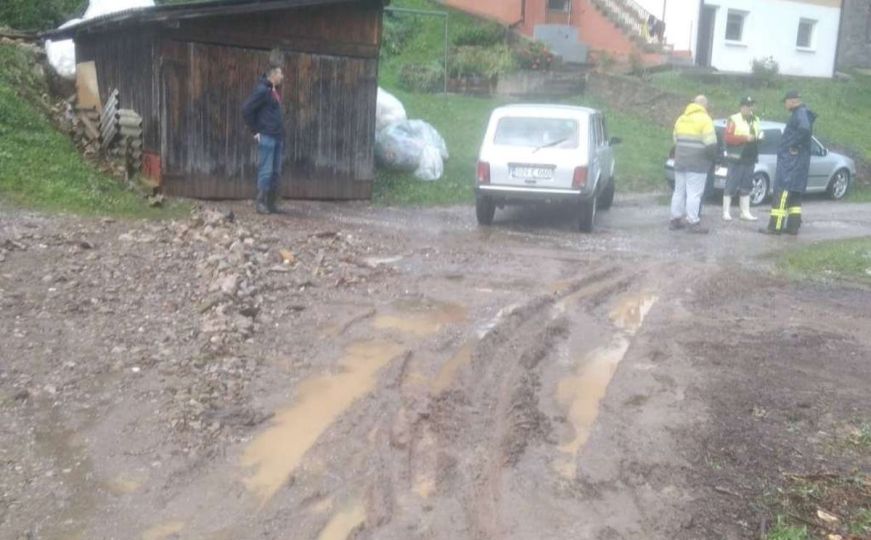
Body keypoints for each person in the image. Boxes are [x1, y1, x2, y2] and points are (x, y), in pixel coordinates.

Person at [763, 90, 816, 235]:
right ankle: (793, 226)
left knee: (783, 192)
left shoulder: (800, 113)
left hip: (791, 163)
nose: (785, 105)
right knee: (795, 195)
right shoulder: (803, 113)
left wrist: (793, 145)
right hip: (798, 163)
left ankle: (775, 227)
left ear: (792, 101)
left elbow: (804, 130)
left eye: (785, 102)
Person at [671, 95, 718, 234]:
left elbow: (675, 140)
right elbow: (710, 144)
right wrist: (712, 159)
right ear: (704, 105)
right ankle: (693, 221)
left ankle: (675, 219)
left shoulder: (681, 118)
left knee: (679, 191)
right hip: (697, 162)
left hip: (680, 161)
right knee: (694, 193)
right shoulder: (705, 119)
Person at [242, 65, 285, 214]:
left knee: (275, 171)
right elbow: (246, 109)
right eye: (280, 73)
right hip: (267, 136)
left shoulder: (273, 90)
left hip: (277, 137)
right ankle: (260, 203)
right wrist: (255, 131)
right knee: (266, 170)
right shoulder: (262, 90)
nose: (282, 76)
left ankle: (271, 203)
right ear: (272, 75)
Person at [722, 96, 764, 221]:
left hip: (750, 156)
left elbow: (757, 134)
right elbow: (728, 138)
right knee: (731, 184)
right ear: (741, 107)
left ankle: (745, 212)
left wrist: (760, 137)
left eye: (751, 105)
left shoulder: (756, 119)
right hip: (736, 157)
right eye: (746, 106)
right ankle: (726, 212)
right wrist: (745, 138)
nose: (749, 108)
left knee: (747, 184)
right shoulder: (733, 119)